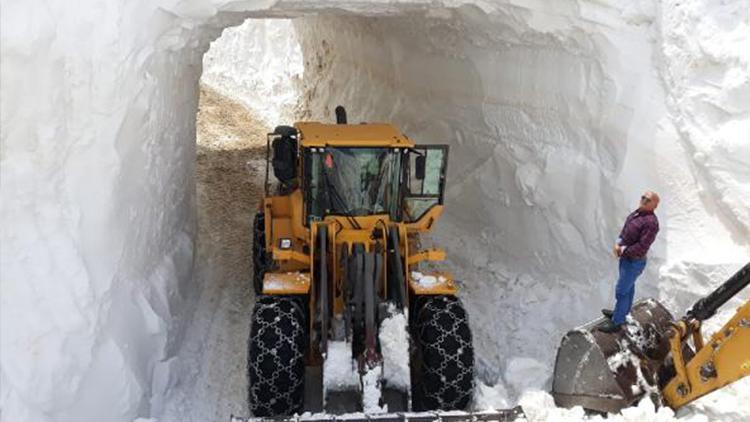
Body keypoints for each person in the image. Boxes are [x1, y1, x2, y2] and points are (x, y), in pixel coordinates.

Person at [599, 191, 661, 333]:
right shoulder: (637, 213)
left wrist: (622, 251)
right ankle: (621, 312)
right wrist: (618, 243)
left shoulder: (651, 223)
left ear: (655, 205)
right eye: (643, 197)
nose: (644, 200)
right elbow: (625, 230)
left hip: (634, 261)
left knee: (621, 291)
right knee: (628, 289)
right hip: (626, 259)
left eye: (648, 199)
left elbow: (642, 247)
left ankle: (617, 322)